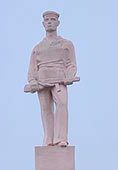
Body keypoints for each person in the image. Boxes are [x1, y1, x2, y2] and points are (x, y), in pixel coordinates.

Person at [25, 10, 78, 147]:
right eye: (47, 20)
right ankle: (48, 139)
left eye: (52, 20)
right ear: (43, 24)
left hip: (59, 81)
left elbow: (71, 64)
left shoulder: (66, 44)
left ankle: (61, 138)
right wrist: (33, 82)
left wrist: (69, 76)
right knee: (45, 110)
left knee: (62, 105)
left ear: (58, 23)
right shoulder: (37, 48)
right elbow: (32, 69)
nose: (49, 22)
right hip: (42, 82)